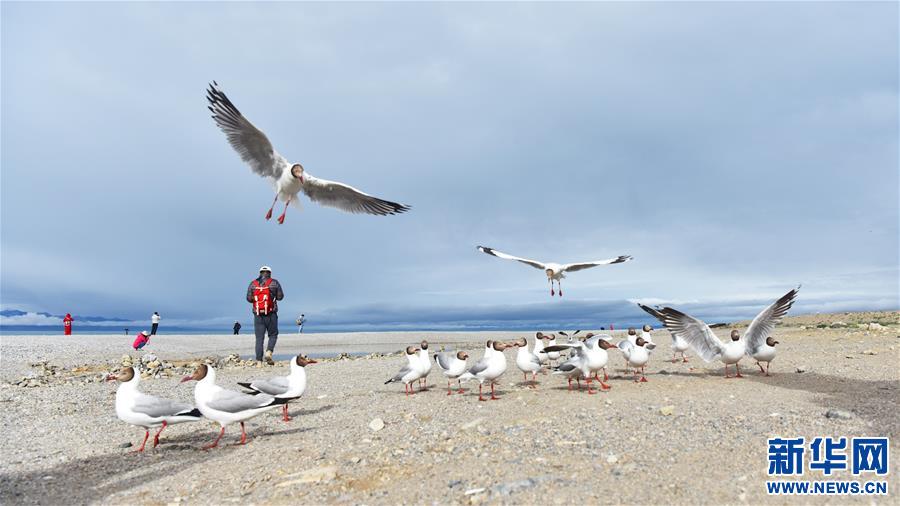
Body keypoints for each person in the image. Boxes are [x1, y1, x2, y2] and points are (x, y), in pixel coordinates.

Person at [246, 265, 284, 365]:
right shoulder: (274, 282)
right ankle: (269, 352)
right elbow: (280, 297)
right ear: (270, 273)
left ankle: (259, 361)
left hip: (258, 314)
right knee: (273, 335)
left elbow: (249, 299)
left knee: (259, 338)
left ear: (260, 272)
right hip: (271, 314)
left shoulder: (253, 284)